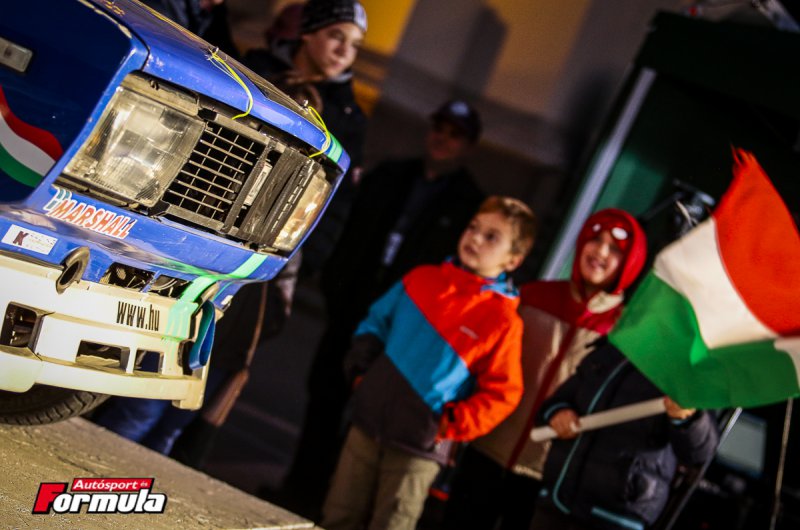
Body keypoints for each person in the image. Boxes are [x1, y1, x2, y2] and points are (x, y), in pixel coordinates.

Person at [276, 99, 485, 518]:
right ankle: (298, 490)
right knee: (324, 396)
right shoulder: (391, 175)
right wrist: (336, 285)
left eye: (455, 135)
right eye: (439, 128)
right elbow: (347, 229)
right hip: (353, 308)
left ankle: (335, 503)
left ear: (468, 146)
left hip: (406, 330)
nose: (443, 139)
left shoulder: (468, 204)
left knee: (368, 419)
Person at [320, 196, 537, 530]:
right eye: (473, 227)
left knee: (392, 524)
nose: (475, 238)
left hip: (419, 449)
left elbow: (504, 392)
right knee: (338, 516)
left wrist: (450, 424)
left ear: (513, 259)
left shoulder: (502, 320)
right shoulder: (421, 278)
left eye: (492, 236)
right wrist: (362, 376)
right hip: (366, 423)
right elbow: (375, 324)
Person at [442, 208, 648, 530]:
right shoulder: (532, 296)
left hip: (548, 475)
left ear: (630, 263)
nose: (600, 252)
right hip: (486, 449)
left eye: (615, 249)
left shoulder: (625, 333)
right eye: (595, 239)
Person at [529, 341, 719, 530]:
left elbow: (699, 453)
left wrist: (688, 418)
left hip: (615, 516)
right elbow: (553, 404)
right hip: (556, 501)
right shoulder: (612, 349)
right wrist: (557, 413)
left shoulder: (695, 371)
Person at [243, 0, 369, 275]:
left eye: (355, 45)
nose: (344, 52)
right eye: (336, 36)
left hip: (275, 247)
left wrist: (306, 257)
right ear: (308, 32)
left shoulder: (348, 117)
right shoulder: (254, 69)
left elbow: (338, 196)